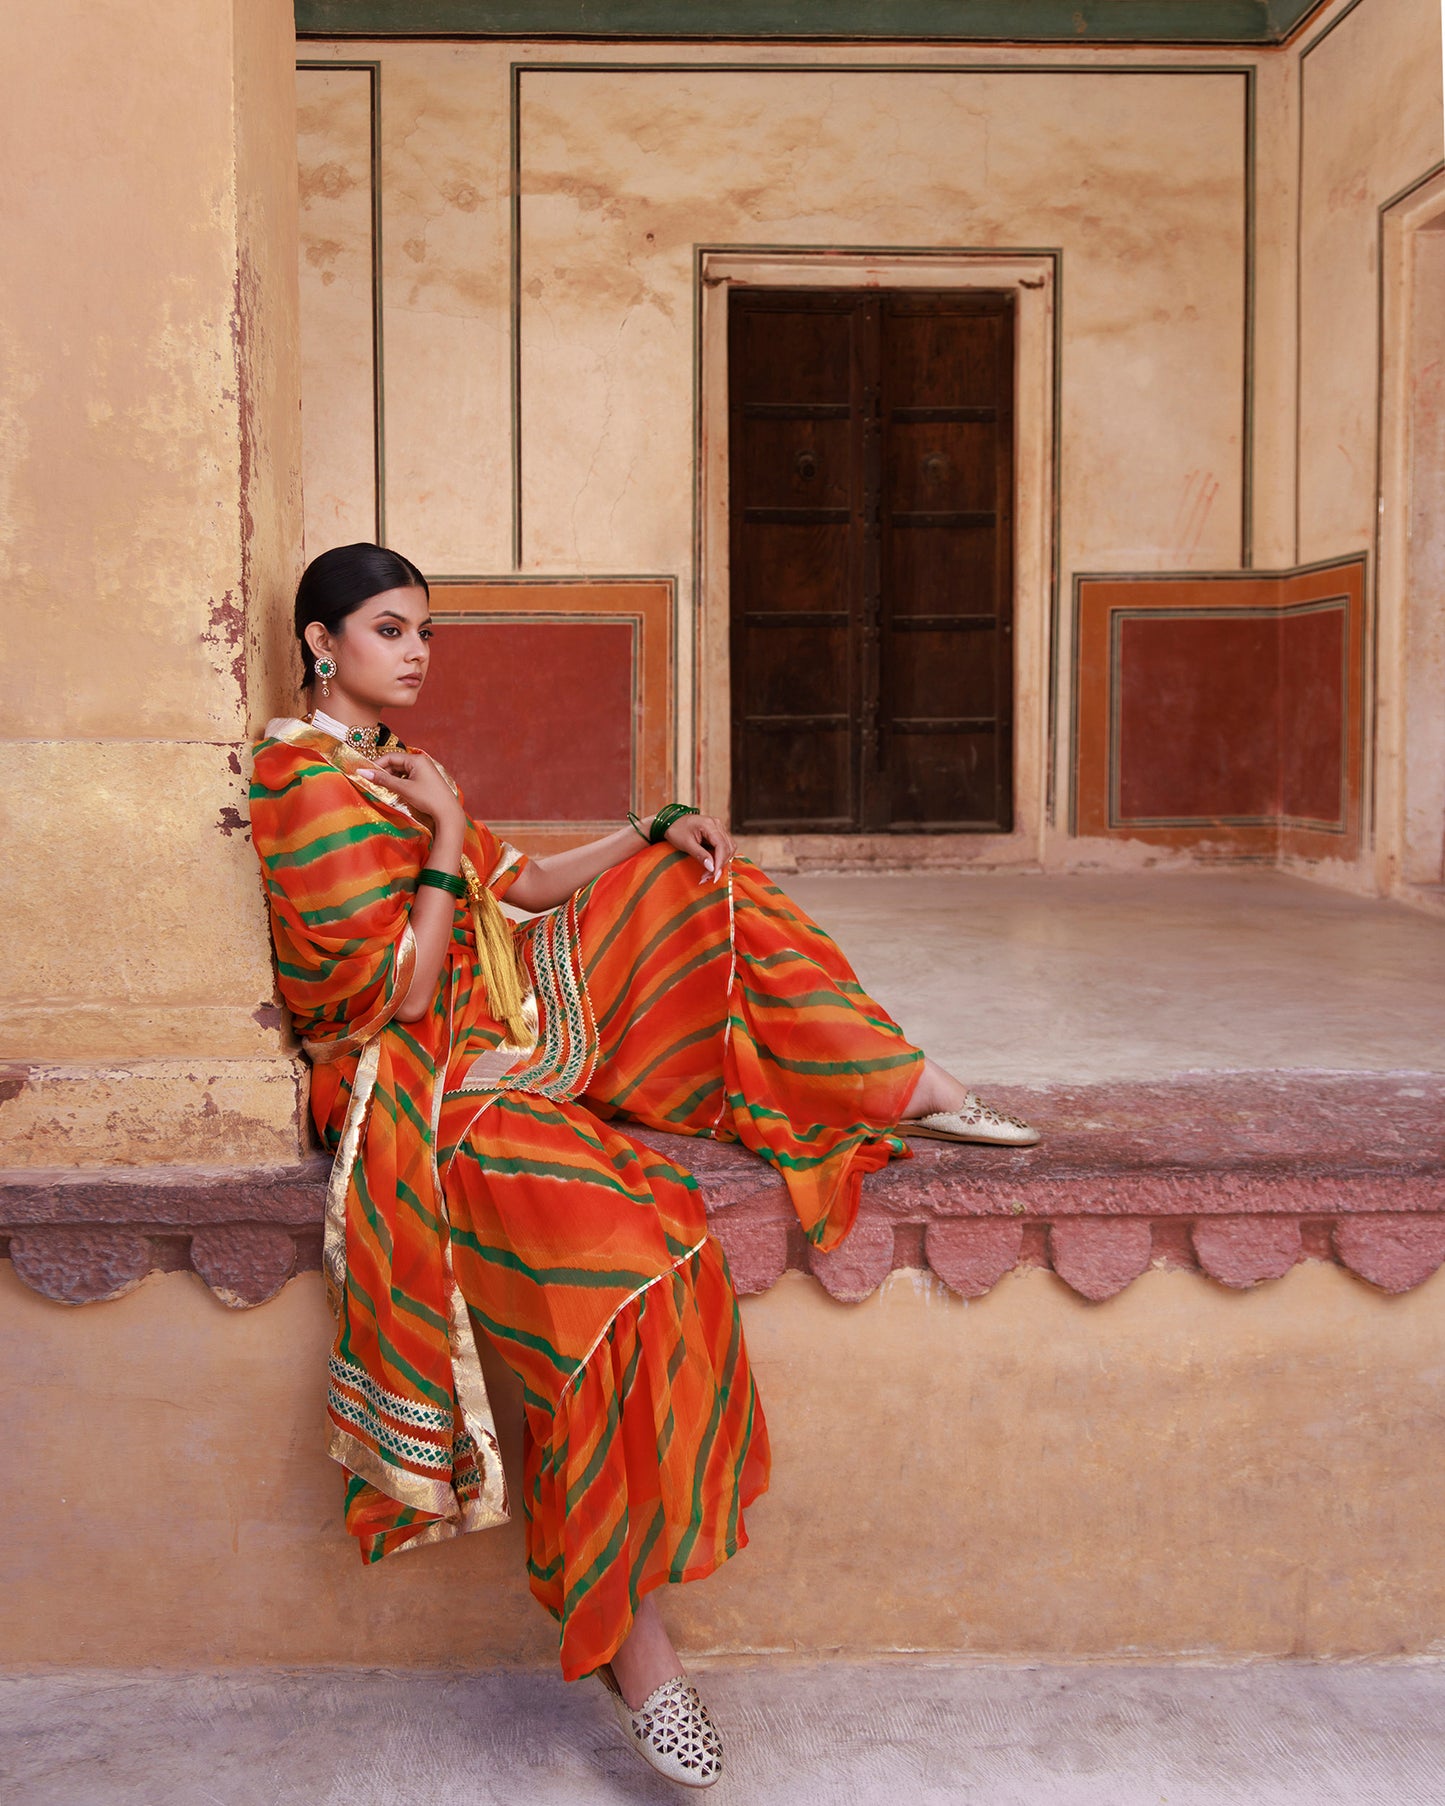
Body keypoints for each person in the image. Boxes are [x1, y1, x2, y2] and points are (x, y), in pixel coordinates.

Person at [249, 542, 1039, 1789]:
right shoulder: (300, 781)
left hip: (500, 1020)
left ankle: (910, 1085)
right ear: (318, 641)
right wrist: (444, 827)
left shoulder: (386, 761)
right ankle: (636, 1652)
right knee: (635, 1267)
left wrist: (646, 826)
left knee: (703, 885)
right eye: (390, 630)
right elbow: (395, 993)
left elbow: (519, 887)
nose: (415, 653)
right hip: (420, 1078)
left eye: (425, 632)